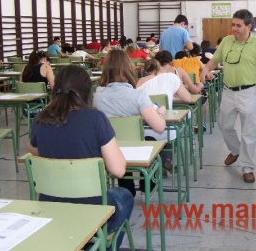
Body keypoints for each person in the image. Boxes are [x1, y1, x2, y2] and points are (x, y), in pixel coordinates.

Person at [28, 65, 133, 249]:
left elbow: (33, 149)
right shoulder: (96, 118)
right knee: (124, 195)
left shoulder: (41, 118)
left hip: (50, 207)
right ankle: (105, 245)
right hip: (92, 209)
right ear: (87, 92)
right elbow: (118, 170)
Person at [200, 9, 256, 184]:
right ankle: (236, 150)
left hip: (247, 93)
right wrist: (205, 69)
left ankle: (248, 167)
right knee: (224, 125)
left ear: (248, 26)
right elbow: (215, 60)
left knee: (248, 131)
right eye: (233, 24)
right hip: (227, 92)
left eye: (238, 25)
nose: (234, 28)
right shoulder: (226, 41)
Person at [94, 50, 166, 195]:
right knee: (153, 141)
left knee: (120, 145)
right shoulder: (138, 95)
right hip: (135, 146)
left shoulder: (97, 95)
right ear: (129, 68)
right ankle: (147, 185)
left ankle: (126, 187)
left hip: (109, 147)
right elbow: (159, 126)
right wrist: (160, 113)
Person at [137, 59, 192, 160]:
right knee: (178, 124)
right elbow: (188, 99)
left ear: (146, 71)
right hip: (166, 128)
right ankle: (167, 158)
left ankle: (162, 159)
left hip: (143, 130)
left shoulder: (139, 82)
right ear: (159, 69)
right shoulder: (170, 77)